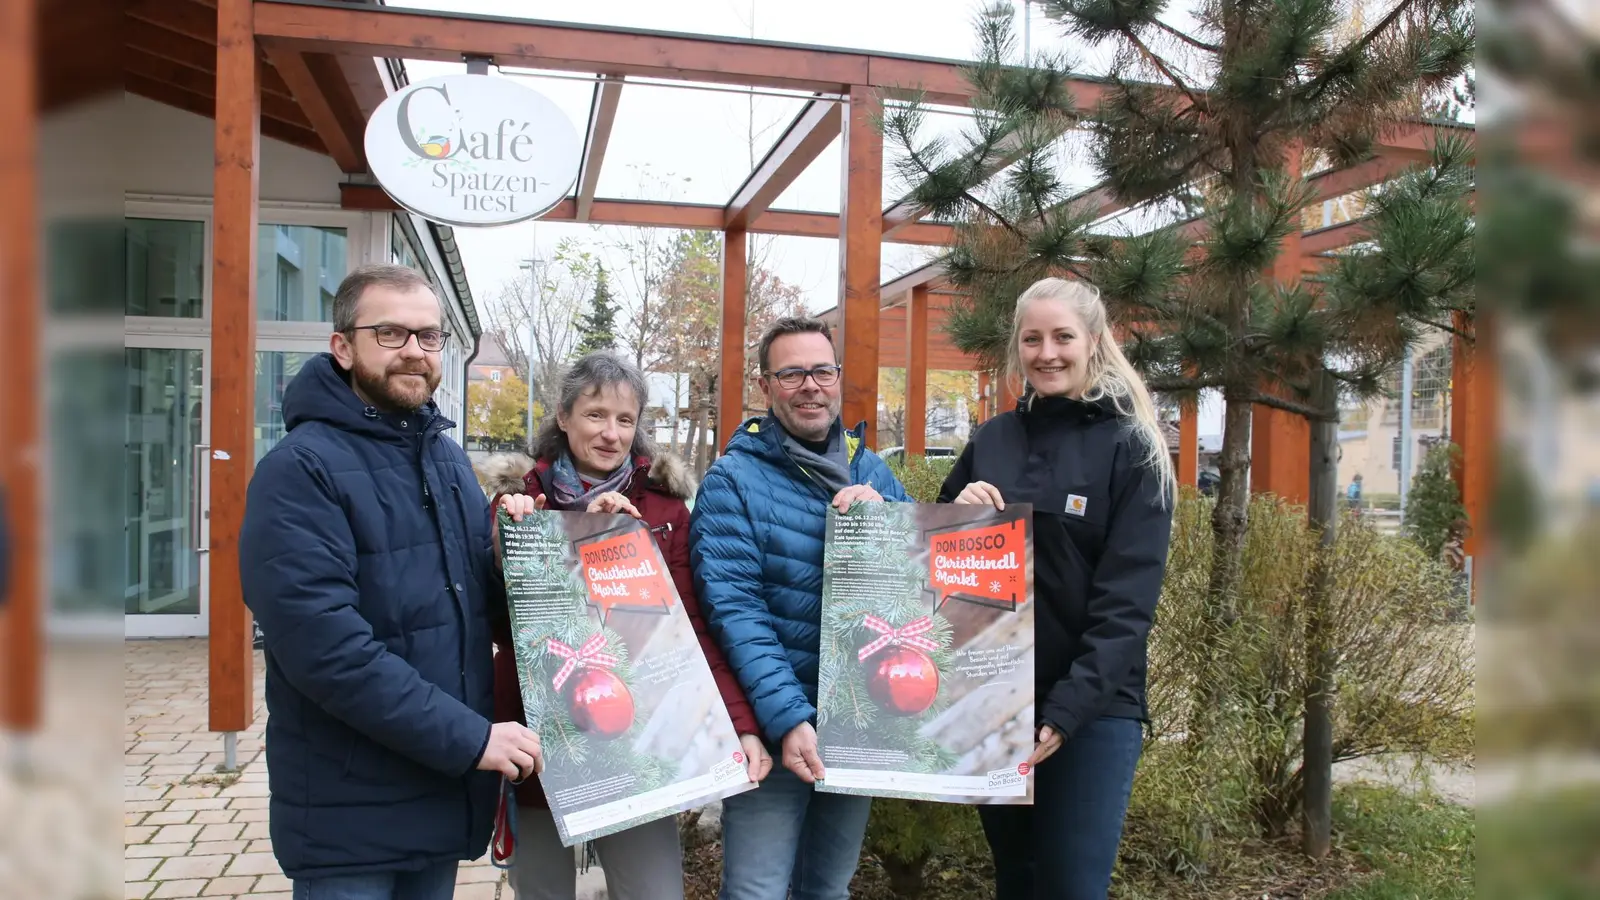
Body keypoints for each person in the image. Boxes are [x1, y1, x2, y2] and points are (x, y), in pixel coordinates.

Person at [239, 264, 544, 899]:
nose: (414, 350)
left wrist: (544, 553)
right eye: (391, 333)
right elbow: (325, 651)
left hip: (436, 791)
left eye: (429, 337)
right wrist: (471, 739)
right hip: (349, 809)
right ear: (343, 347)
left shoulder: (445, 458)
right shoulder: (300, 471)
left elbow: (474, 604)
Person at [476, 350, 773, 900]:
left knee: (653, 889)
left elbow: (691, 627)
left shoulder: (664, 509)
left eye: (625, 419)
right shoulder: (519, 501)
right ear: (562, 417)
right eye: (595, 415)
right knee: (541, 891)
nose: (611, 433)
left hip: (638, 735)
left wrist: (738, 724)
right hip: (541, 735)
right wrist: (512, 549)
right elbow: (495, 622)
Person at [937, 277, 1175, 900]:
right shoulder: (992, 440)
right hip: (1001, 700)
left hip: (1092, 713)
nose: (1048, 353)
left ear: (1093, 343)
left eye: (1063, 336)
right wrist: (957, 508)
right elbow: (938, 565)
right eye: (1033, 339)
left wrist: (1068, 712)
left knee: (1071, 887)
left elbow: (1127, 605)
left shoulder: (1133, 448)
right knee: (1018, 881)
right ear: (1018, 349)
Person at [688, 316, 911, 900]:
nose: (810, 385)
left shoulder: (875, 471)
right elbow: (735, 612)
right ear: (767, 387)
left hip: (856, 724)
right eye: (792, 373)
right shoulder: (731, 482)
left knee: (829, 889)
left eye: (821, 370)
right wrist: (788, 719)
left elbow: (918, 585)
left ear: (839, 379)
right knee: (756, 891)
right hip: (776, 728)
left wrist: (886, 518)